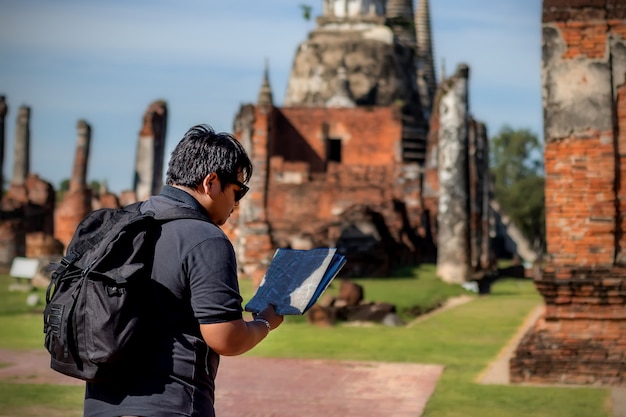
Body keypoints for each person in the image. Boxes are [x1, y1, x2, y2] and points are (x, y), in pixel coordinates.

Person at [84, 124, 284, 417]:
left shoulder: (117, 224)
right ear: (211, 182)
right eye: (238, 190)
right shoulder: (205, 237)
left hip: (100, 404)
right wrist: (265, 323)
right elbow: (226, 338)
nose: (237, 204)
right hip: (170, 404)